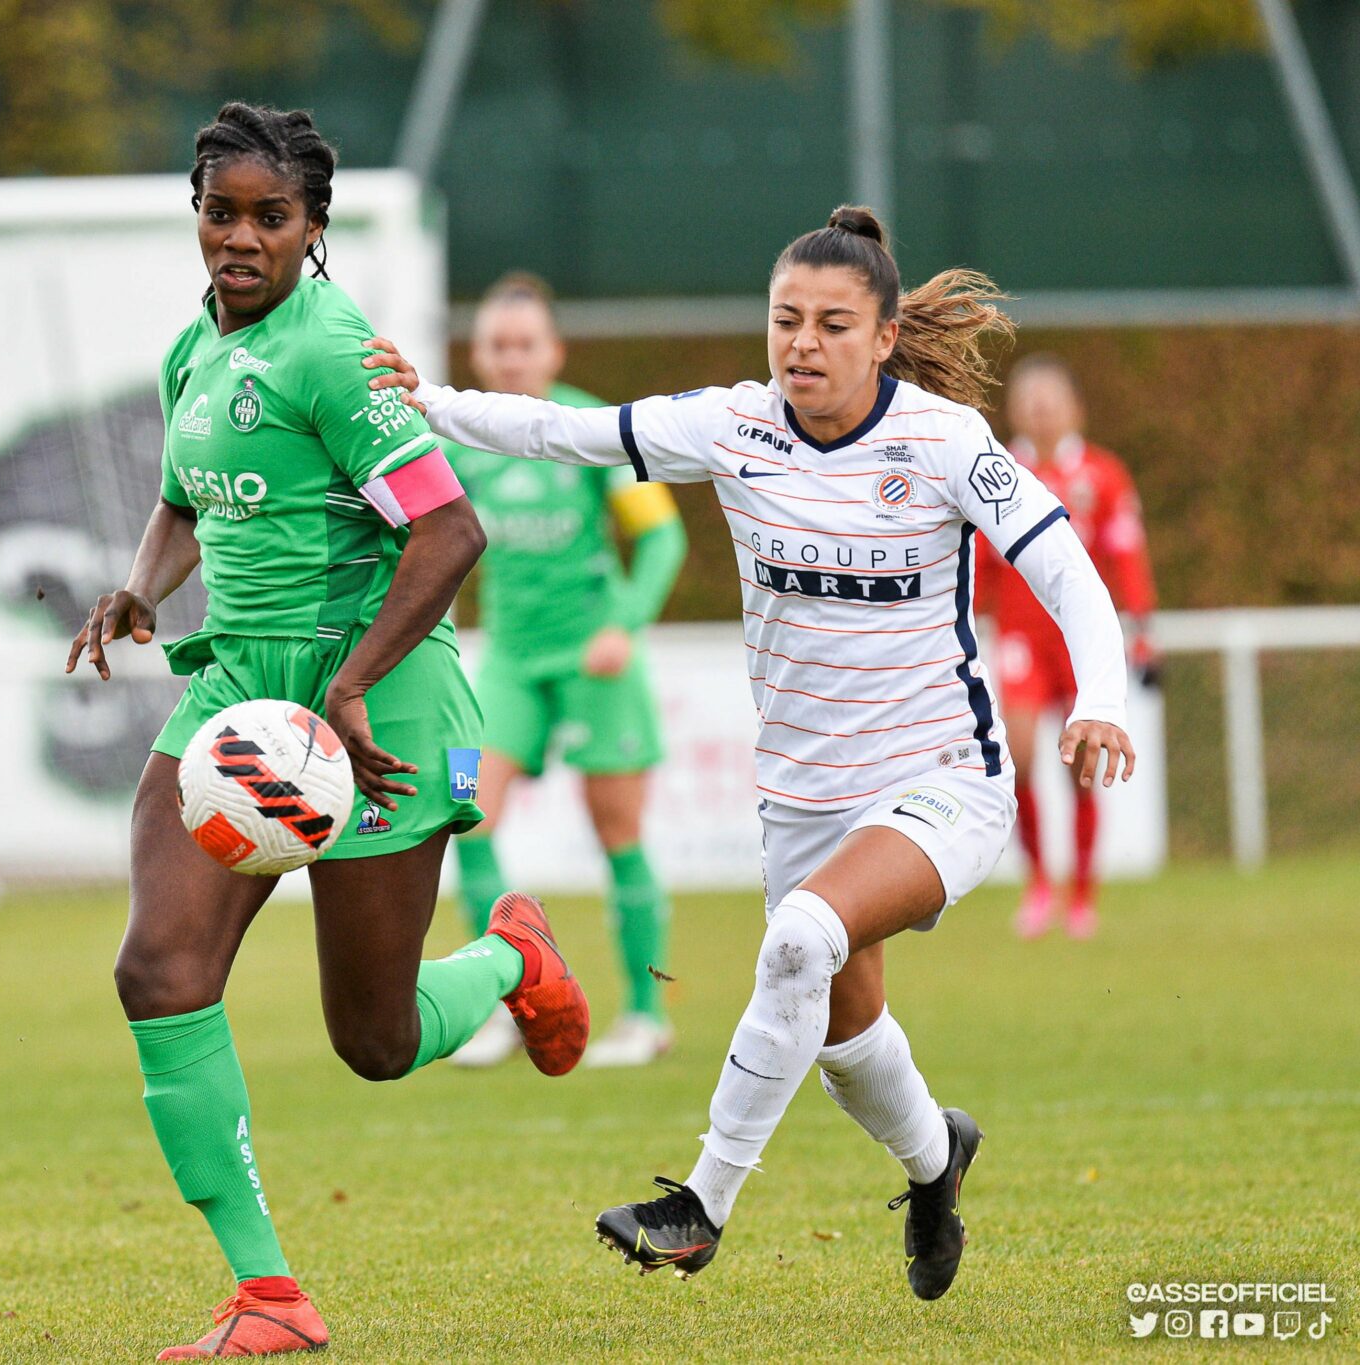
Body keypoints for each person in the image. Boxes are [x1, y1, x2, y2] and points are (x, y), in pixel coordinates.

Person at [362, 205, 1135, 1300]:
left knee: (794, 944)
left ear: (880, 338)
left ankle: (700, 1205)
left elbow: (1065, 573)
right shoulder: (730, 425)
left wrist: (1098, 696)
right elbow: (560, 433)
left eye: (830, 324)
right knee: (842, 1032)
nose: (802, 343)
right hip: (802, 800)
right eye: (785, 321)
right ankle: (933, 1161)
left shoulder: (944, 442)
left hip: (939, 781)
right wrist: (424, 403)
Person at [64, 102, 590, 1361]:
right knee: (157, 971)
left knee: (375, 1040)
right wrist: (145, 584)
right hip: (233, 697)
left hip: (379, 704)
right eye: (219, 211)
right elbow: (186, 500)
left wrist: (350, 686)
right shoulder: (192, 351)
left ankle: (512, 959)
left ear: (313, 229)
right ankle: (269, 1297)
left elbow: (447, 533)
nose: (238, 237)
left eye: (268, 217)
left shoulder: (336, 354)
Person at [444, 272, 689, 1070]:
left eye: (526, 344)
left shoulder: (592, 430)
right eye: (498, 345)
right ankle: (505, 1007)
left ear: (553, 350)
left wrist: (624, 624)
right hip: (508, 663)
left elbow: (662, 539)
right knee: (465, 816)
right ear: (479, 352)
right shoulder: (461, 442)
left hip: (594, 660)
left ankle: (647, 1013)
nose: (511, 358)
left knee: (617, 830)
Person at [976, 354, 1157, 939]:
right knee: (1023, 757)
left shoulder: (1102, 476)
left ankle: (1082, 895)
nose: (1039, 406)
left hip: (1082, 645)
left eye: (1050, 395)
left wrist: (1143, 632)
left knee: (1083, 766)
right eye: (1028, 396)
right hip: (1021, 637)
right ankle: (1038, 885)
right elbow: (977, 566)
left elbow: (1125, 555)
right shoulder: (994, 474)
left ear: (1075, 406)